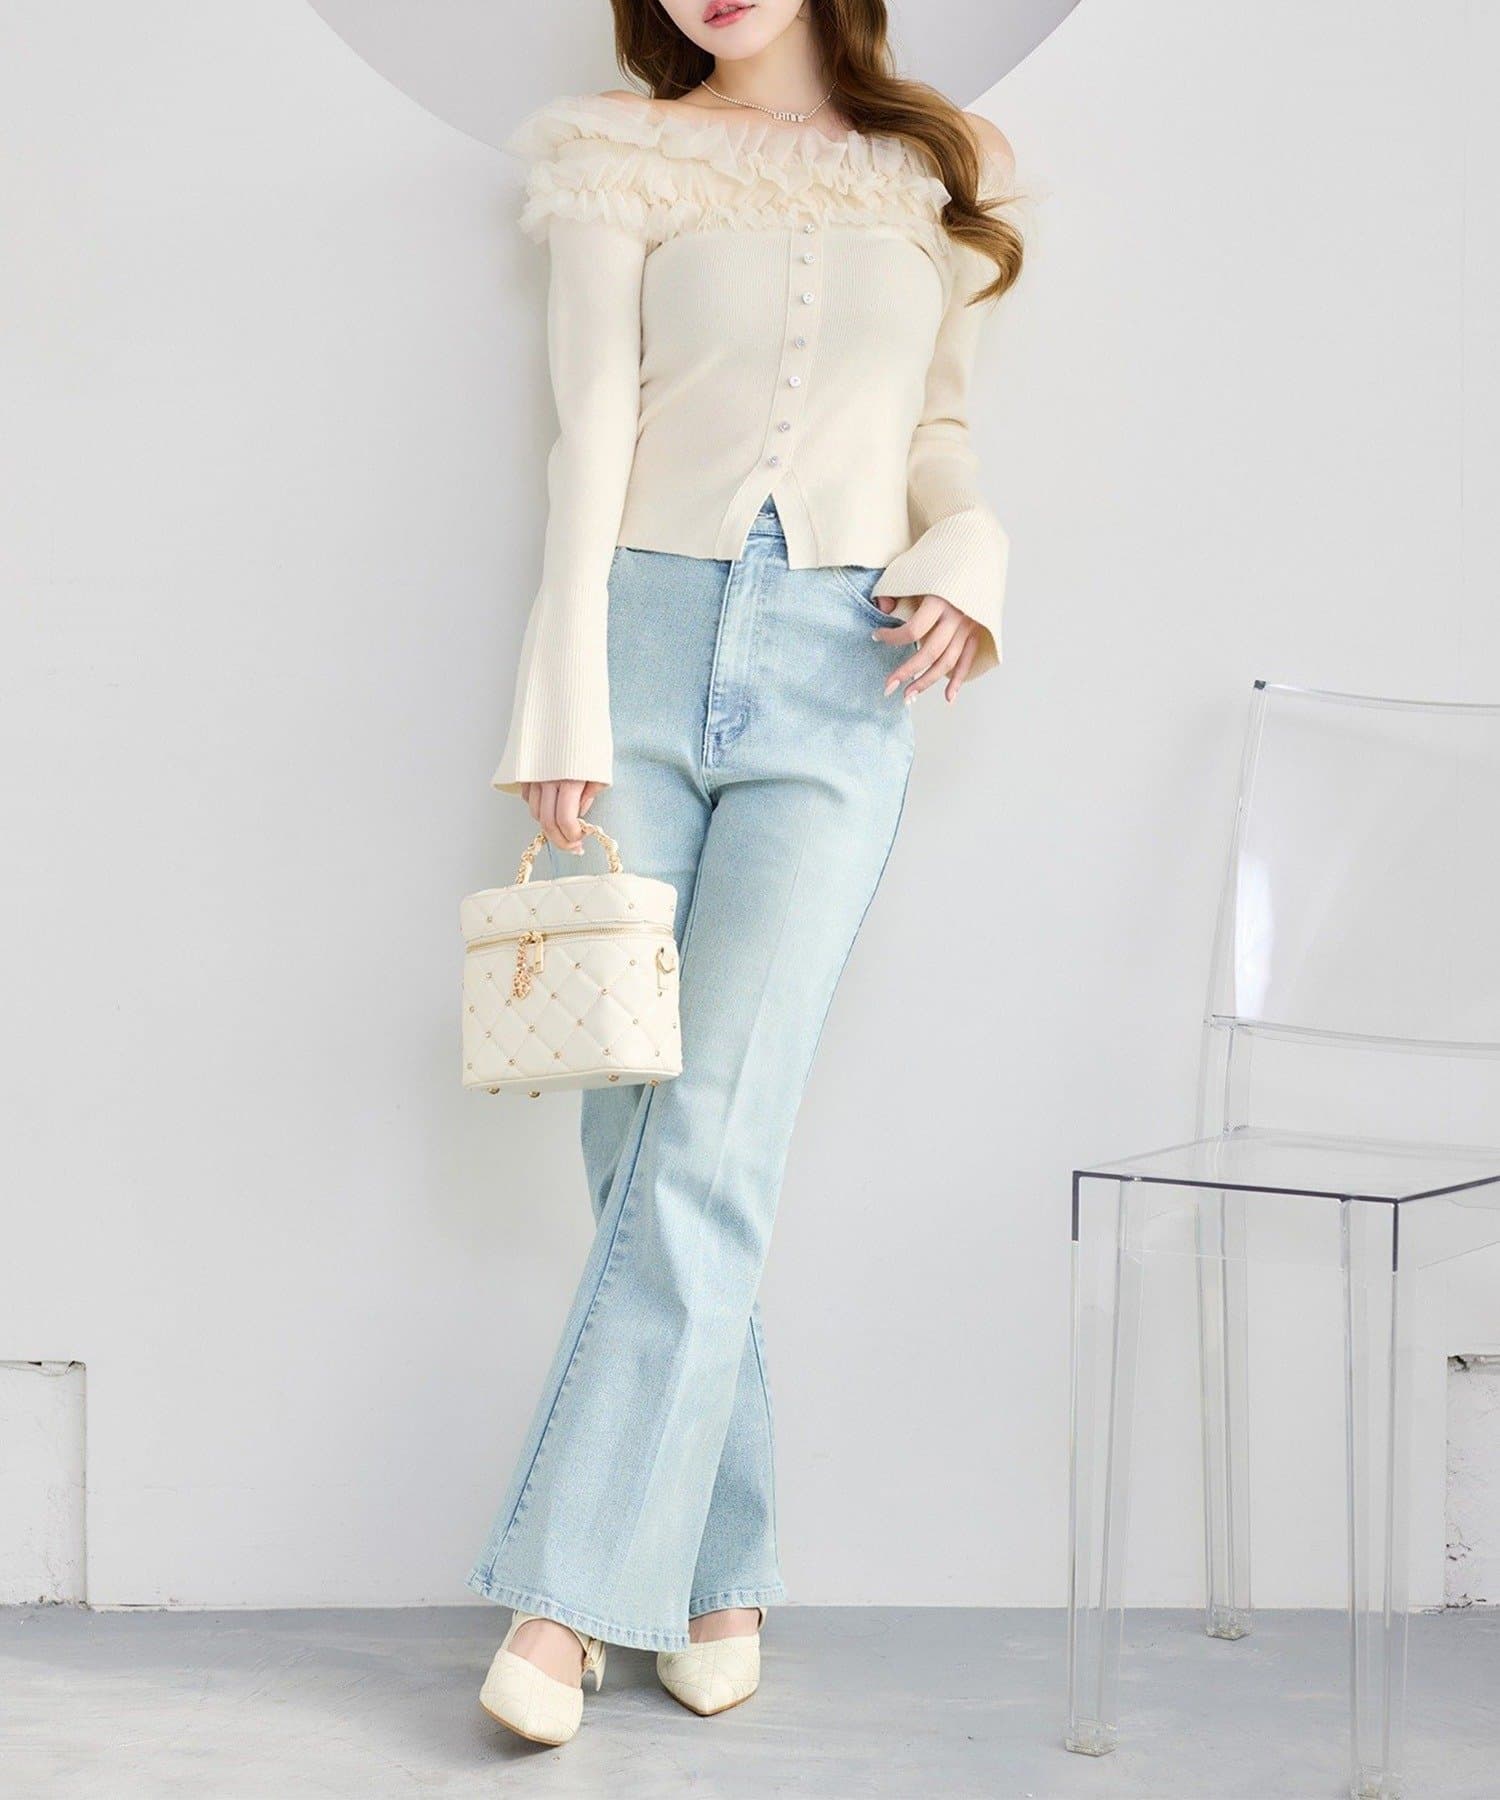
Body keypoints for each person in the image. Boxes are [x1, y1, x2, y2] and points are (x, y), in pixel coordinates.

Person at [468, 0, 1022, 1746]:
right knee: (638, 1137)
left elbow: (938, 432)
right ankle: (721, 1567)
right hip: (635, 655)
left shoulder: (930, 168)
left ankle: (564, 1602)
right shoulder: (617, 154)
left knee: (709, 1139)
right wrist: (560, 704)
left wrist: (975, 550)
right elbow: (586, 440)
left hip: (845, 673)